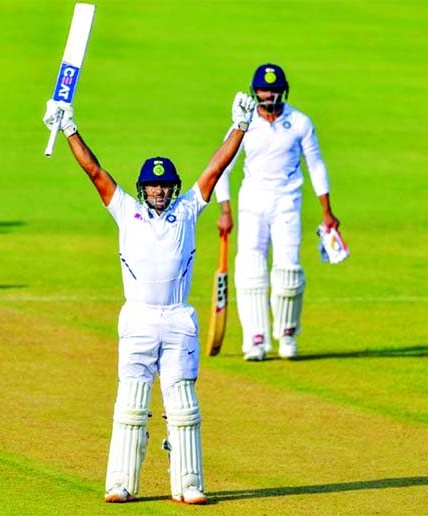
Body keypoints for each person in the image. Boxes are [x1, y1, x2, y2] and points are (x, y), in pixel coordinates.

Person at [43, 92, 256, 504]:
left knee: (183, 405)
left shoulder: (188, 209)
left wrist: (240, 126)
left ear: (173, 188)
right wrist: (69, 127)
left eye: (164, 186)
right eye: (153, 186)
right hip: (138, 318)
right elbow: (94, 171)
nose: (159, 191)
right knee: (131, 404)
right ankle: (121, 483)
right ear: (143, 189)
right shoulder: (125, 209)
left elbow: (216, 167)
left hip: (178, 318)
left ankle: (188, 483)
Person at [213, 63, 341, 362]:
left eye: (273, 89)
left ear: (283, 91)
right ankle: (254, 339)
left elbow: (316, 165)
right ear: (254, 91)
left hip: (287, 202)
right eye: (262, 89)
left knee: (289, 270)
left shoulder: (299, 122)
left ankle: (286, 333)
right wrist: (225, 209)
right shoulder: (243, 124)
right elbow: (221, 168)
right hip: (252, 203)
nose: (268, 95)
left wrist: (327, 212)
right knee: (250, 270)